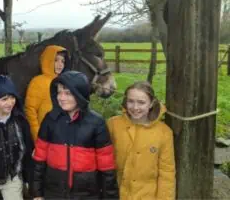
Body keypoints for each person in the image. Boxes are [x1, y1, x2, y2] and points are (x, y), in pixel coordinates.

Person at [32, 71, 118, 199]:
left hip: (87, 195)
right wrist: (37, 193)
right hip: (54, 194)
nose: (61, 97)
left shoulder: (96, 123)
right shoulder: (50, 119)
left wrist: (109, 197)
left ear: (80, 94)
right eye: (59, 92)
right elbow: (39, 159)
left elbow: (107, 167)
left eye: (67, 93)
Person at [107, 81, 175, 199]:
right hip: (117, 194)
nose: (135, 107)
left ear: (151, 104)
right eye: (131, 101)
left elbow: (167, 173)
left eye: (141, 102)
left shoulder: (164, 133)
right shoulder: (113, 124)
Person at [25, 45, 69, 141]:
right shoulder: (38, 82)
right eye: (56, 60)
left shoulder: (64, 82)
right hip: (45, 137)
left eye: (63, 61)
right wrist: (38, 138)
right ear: (48, 60)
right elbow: (30, 112)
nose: (60, 64)